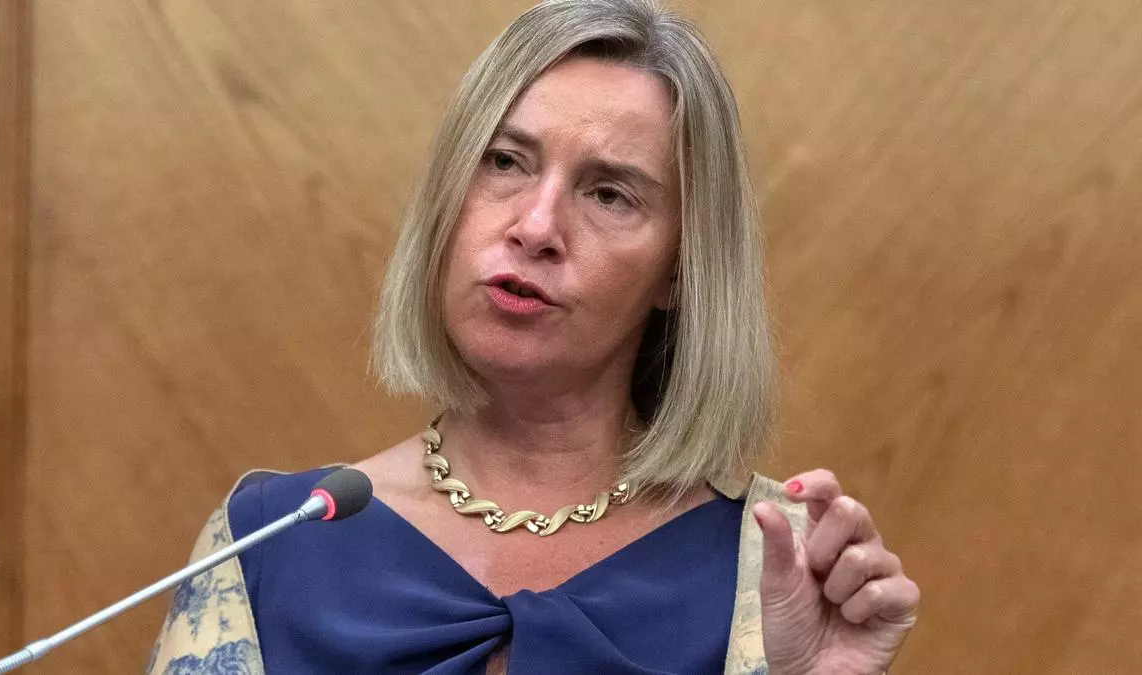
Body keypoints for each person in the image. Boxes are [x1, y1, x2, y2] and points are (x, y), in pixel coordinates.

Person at [148, 0, 919, 673]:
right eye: (506, 161)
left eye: (609, 194)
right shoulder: (272, 542)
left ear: (681, 272)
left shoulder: (776, 563)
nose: (537, 226)